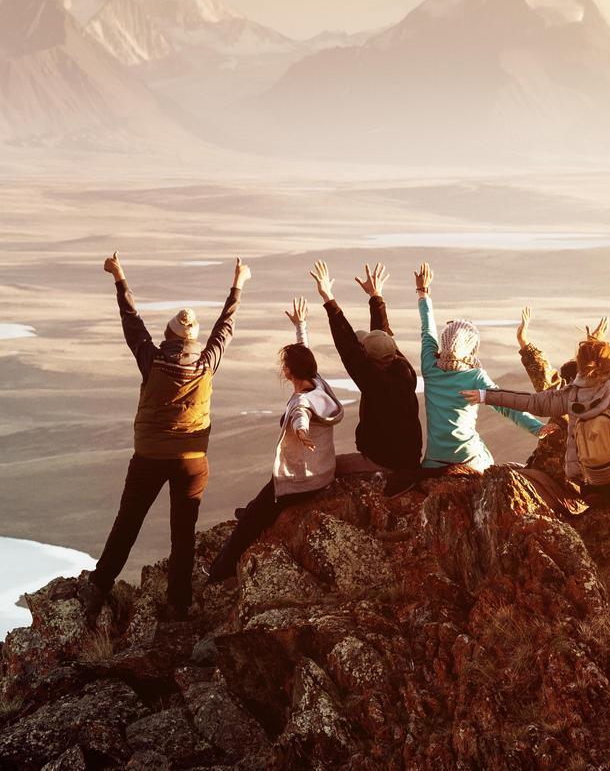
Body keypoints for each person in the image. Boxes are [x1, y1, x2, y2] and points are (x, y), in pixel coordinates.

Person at [80, 253, 248, 620]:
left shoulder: (152, 360)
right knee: (183, 532)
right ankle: (178, 604)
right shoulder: (206, 364)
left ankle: (98, 588)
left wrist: (119, 277)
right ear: (192, 339)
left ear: (169, 335)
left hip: (149, 458)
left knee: (128, 523)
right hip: (192, 463)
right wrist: (238, 284)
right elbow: (226, 326)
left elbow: (132, 322)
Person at [208, 297, 343, 582]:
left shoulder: (301, 403)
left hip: (302, 481)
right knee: (259, 504)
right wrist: (300, 326)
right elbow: (306, 358)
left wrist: (302, 432)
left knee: (249, 522)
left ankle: (219, 572)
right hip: (323, 472)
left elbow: (300, 417)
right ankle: (259, 510)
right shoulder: (320, 386)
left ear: (288, 373)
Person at [463, 307, 610, 507]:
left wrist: (486, 395)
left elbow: (530, 401)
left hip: (593, 485)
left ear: (580, 368)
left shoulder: (569, 398)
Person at [415, 262, 544, 473]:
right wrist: (538, 428)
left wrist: (423, 293)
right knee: (487, 459)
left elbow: (427, 330)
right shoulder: (475, 376)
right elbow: (507, 406)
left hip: (434, 460)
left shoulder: (430, 365)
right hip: (467, 458)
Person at [310, 259, 422, 477]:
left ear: (371, 362)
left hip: (385, 462)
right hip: (408, 457)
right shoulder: (400, 366)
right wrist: (375, 297)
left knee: (323, 469)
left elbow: (348, 347)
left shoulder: (377, 385)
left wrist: (328, 299)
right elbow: (381, 337)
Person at [515, 305, 578, 481]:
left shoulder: (569, 405)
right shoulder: (599, 401)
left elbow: (549, 381)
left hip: (551, 475)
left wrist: (524, 343)